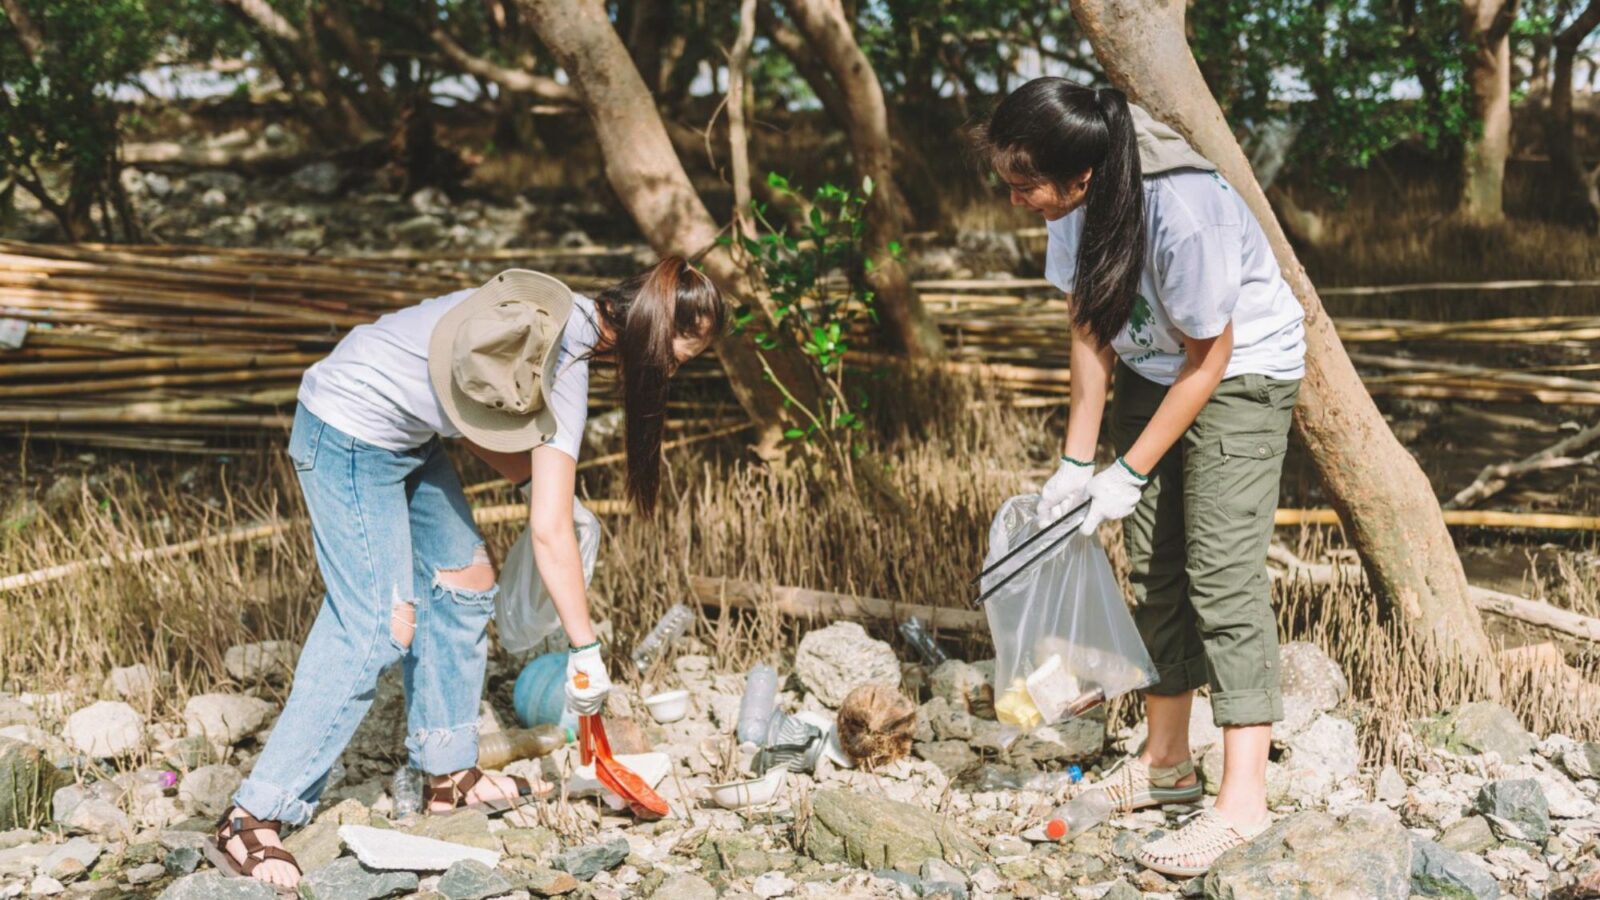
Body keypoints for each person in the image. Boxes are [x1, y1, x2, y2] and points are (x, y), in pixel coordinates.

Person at [207, 258, 724, 891]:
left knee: (465, 579)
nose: (672, 369)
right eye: (678, 352)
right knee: (376, 627)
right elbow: (547, 533)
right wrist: (585, 650)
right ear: (649, 327)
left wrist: (543, 487)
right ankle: (252, 815)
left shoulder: (553, 319)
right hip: (345, 427)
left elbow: (471, 411)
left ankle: (448, 773)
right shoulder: (557, 359)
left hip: (405, 432)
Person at [979, 78, 1306, 876]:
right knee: (1158, 569)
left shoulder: (1181, 209)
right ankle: (1166, 766)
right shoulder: (1073, 202)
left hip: (1237, 370)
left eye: (1027, 186)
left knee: (1221, 576)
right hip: (1155, 365)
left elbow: (1212, 357)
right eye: (1008, 183)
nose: (1018, 200)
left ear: (1083, 172)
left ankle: (1242, 802)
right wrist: (1075, 461)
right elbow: (1091, 320)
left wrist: (1127, 472)